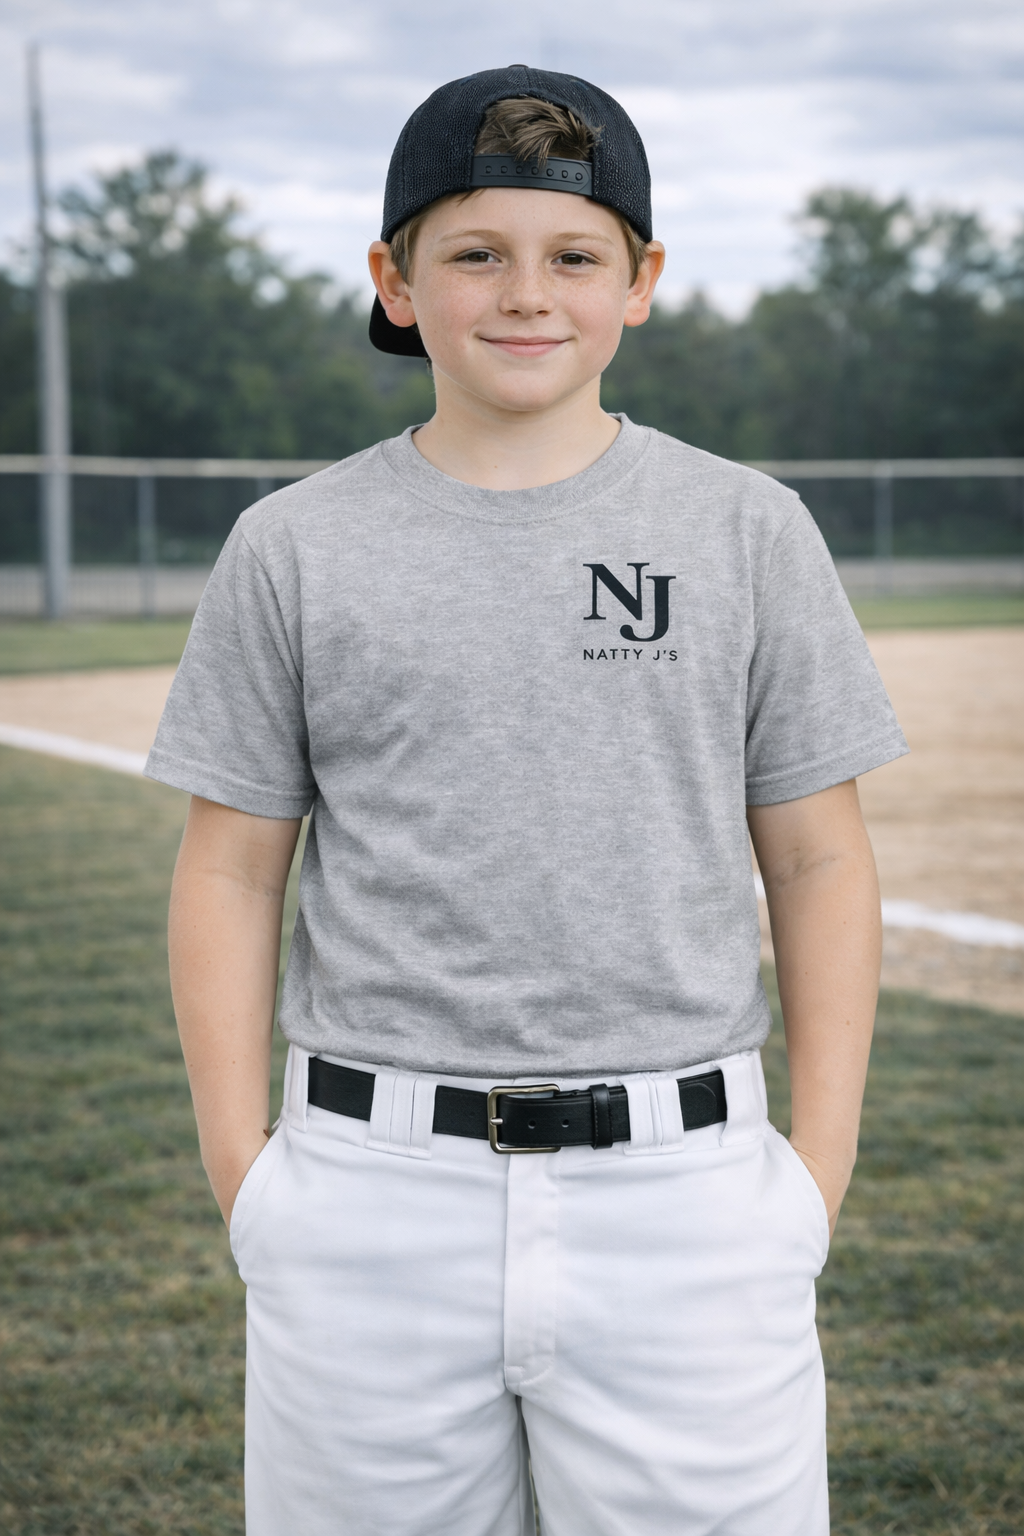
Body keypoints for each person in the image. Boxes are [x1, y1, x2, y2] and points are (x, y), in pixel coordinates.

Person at [148, 65, 908, 1536]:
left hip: (686, 1198)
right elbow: (232, 872)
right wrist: (250, 1178)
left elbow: (818, 860)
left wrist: (811, 1177)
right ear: (394, 277)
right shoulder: (293, 545)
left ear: (642, 282)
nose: (524, 294)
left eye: (573, 255)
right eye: (475, 253)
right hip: (368, 1196)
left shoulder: (747, 529)